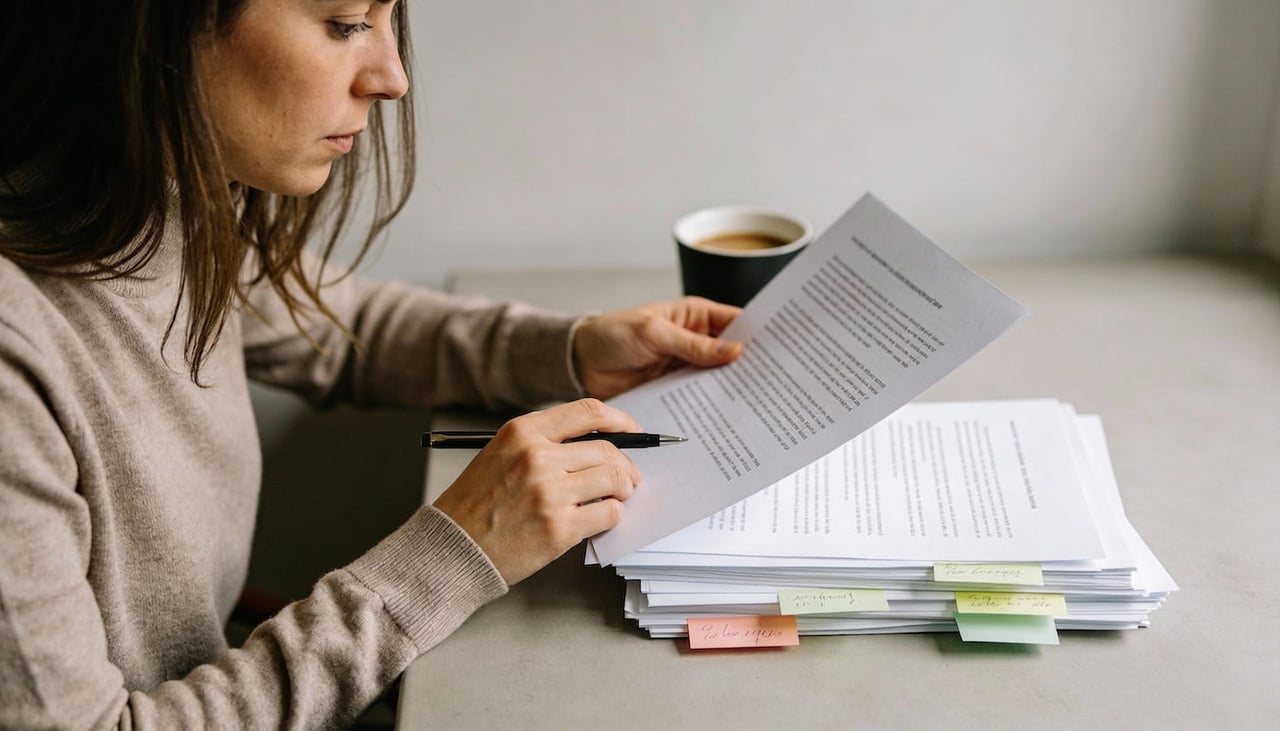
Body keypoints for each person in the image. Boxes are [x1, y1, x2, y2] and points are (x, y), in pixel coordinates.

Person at [0, 1, 743, 727]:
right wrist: (454, 554)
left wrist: (572, 348)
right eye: (347, 24)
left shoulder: (152, 208)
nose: (392, 77)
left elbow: (345, 321)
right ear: (163, 27)